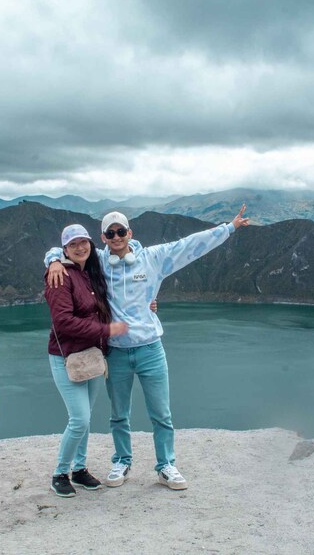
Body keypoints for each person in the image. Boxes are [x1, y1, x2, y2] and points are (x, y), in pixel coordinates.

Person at [46, 205, 249, 490]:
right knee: (118, 414)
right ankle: (122, 461)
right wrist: (54, 259)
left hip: (151, 349)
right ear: (102, 238)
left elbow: (189, 246)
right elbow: (67, 251)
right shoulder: (98, 263)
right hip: (115, 351)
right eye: (110, 233)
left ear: (130, 233)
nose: (116, 237)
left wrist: (228, 228)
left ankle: (166, 465)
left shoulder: (153, 258)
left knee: (161, 413)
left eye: (120, 231)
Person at [44, 224, 129, 498]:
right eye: (73, 244)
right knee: (79, 419)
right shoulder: (60, 277)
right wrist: (106, 331)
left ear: (91, 244)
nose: (80, 247)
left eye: (84, 242)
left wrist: (149, 304)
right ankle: (60, 473)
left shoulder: (90, 273)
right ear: (65, 249)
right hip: (66, 356)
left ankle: (79, 469)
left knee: (86, 417)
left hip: (92, 356)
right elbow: (64, 322)